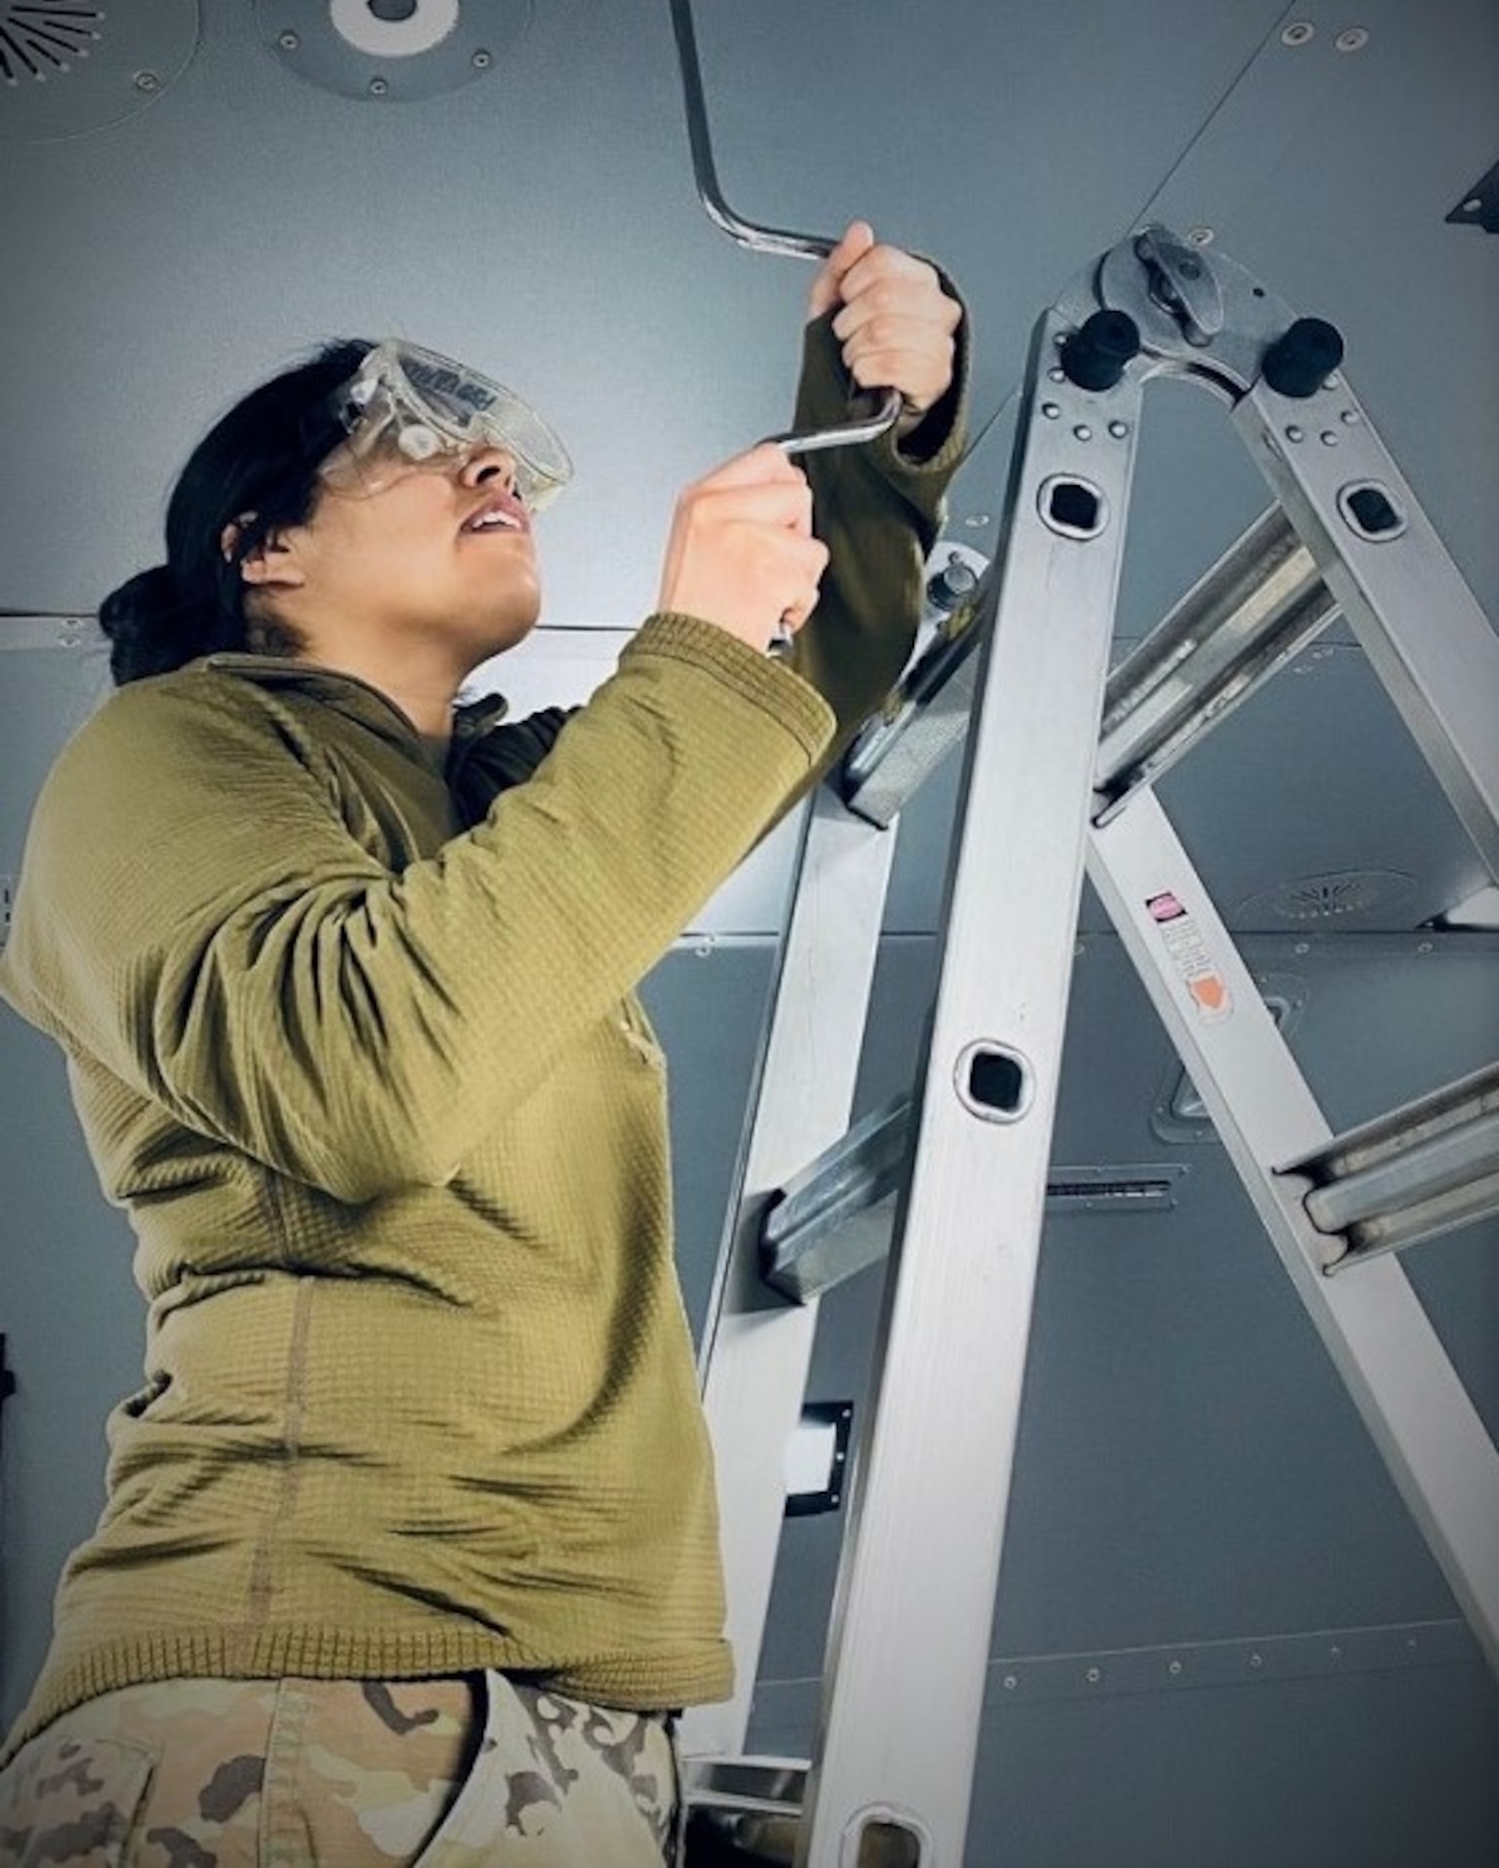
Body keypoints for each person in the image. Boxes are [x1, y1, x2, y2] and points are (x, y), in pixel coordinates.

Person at [0, 222, 967, 1866]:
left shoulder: (480, 816)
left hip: (543, 1700)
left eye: (495, 447)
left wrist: (878, 413)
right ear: (263, 547)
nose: (489, 460)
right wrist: (694, 650)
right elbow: (366, 1079)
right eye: (405, 443)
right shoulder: (168, 749)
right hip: (302, 1688)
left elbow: (809, 679)